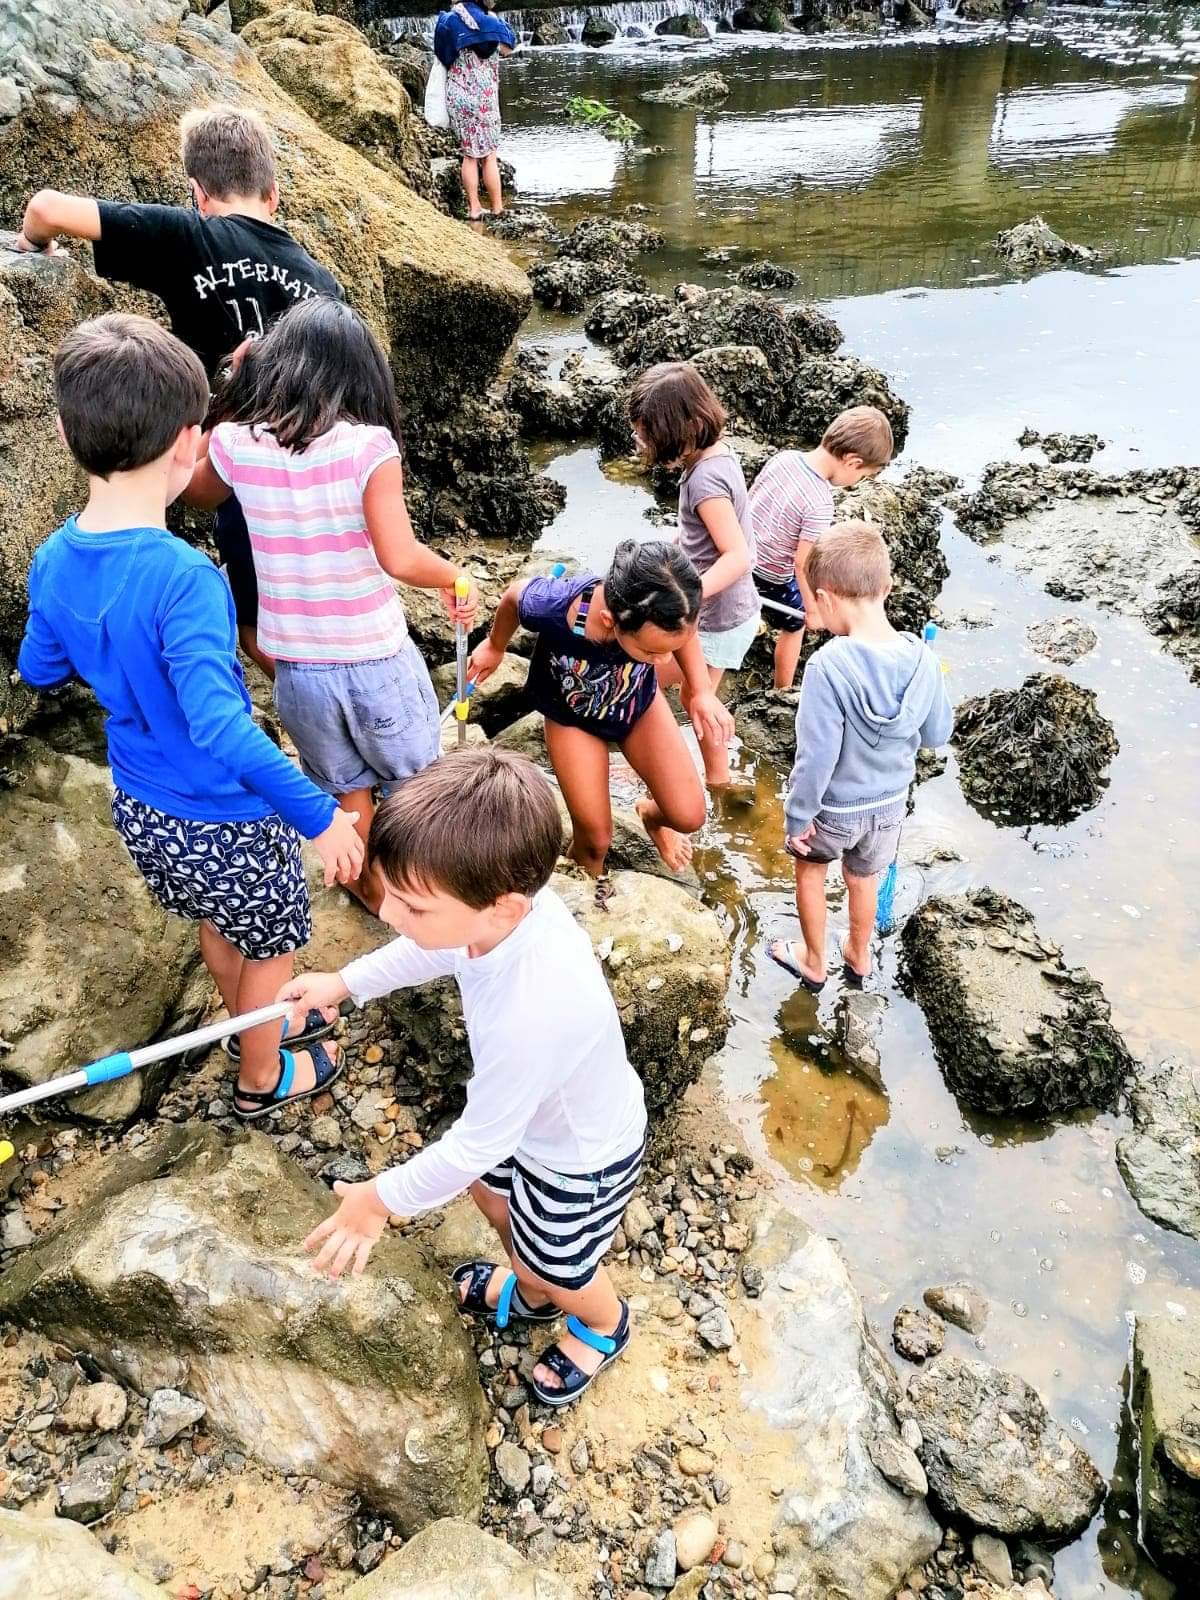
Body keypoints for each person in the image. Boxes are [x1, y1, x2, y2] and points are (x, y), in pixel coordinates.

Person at [17, 314, 364, 1120]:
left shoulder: (53, 558)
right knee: (272, 944)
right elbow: (221, 729)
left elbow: (38, 668)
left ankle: (249, 1024)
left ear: (66, 434)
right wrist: (320, 818)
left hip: (144, 809)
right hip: (225, 818)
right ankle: (260, 1077)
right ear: (189, 441)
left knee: (221, 922)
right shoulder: (185, 578)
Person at [280, 748, 648, 1409]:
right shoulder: (498, 915)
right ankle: (531, 1289)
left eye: (413, 906)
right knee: (488, 1193)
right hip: (525, 1123)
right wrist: (345, 982)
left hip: (582, 1157)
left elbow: (477, 1141)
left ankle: (601, 1322)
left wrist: (378, 1200)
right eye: (391, 892)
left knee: (561, 1262)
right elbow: (433, 950)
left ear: (504, 908)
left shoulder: (533, 1010)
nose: (389, 914)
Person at [15, 104, 344, 677]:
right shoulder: (322, 283)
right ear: (273, 194)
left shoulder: (186, 235)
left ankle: (304, 689)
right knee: (315, 592)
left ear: (197, 192)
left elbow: (46, 209)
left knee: (251, 623)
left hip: (228, 464)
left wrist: (34, 244)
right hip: (313, 461)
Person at [185, 296, 478, 915]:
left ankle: (370, 892)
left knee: (348, 792)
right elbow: (399, 556)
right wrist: (455, 576)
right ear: (360, 372)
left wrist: (234, 390)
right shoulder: (368, 447)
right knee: (416, 787)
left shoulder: (237, 442)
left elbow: (195, 492)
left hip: (298, 672)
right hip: (376, 660)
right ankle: (430, 893)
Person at [467, 540, 733, 883]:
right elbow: (515, 597)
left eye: (670, 650)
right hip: (572, 717)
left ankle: (650, 817)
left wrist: (700, 691)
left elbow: (683, 634)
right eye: (652, 652)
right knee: (595, 842)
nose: (664, 661)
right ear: (611, 621)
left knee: (689, 816)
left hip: (636, 704)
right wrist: (495, 646)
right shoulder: (556, 606)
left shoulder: (669, 611)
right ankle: (582, 894)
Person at [768, 522, 952, 992]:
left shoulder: (828, 665)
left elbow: (816, 757)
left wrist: (797, 817)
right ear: (886, 587)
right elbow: (936, 735)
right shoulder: (923, 658)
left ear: (823, 597)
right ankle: (859, 953)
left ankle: (814, 961)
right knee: (863, 878)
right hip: (889, 807)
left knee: (810, 872)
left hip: (833, 809)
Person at [629, 362, 759, 790]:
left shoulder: (706, 480)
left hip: (717, 618)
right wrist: (673, 553)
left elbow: (738, 555)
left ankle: (700, 775)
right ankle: (716, 776)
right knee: (694, 694)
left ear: (686, 428)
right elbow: (700, 536)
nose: (645, 445)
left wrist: (687, 592)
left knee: (653, 682)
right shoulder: (717, 455)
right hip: (729, 612)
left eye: (651, 437)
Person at [750, 406, 894, 691]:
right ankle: (782, 690)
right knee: (795, 626)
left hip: (742, 559)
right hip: (771, 576)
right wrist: (812, 610)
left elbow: (749, 502)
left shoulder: (784, 458)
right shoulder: (820, 502)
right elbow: (802, 563)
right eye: (863, 476)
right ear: (852, 462)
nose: (857, 483)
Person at [433, 1, 516, 223]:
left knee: (469, 155)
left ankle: (474, 208)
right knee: (489, 155)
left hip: (459, 96)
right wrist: (495, 22)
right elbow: (507, 49)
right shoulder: (492, 22)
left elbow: (442, 54)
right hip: (485, 97)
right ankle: (497, 208)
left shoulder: (448, 21)